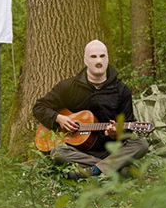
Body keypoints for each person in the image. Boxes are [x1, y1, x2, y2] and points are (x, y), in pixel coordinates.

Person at [33, 39, 151, 179]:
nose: (98, 61)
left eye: (102, 56)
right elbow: (39, 107)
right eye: (93, 57)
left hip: (109, 150)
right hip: (77, 151)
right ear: (85, 60)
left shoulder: (121, 90)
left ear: (107, 58)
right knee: (57, 151)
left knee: (141, 144)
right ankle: (113, 169)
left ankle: (93, 170)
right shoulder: (69, 87)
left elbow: (127, 129)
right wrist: (59, 118)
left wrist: (115, 134)